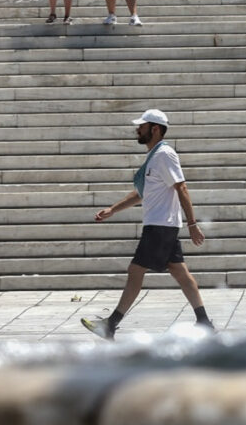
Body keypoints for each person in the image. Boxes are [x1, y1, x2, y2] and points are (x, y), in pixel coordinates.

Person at [80, 109, 213, 340]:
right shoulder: (154, 156)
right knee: (180, 272)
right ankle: (204, 323)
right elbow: (142, 194)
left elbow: (181, 187)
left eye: (142, 126)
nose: (137, 129)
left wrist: (192, 224)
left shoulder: (165, 154)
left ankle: (110, 325)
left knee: (135, 270)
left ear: (155, 129)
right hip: (162, 224)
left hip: (160, 225)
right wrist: (113, 209)